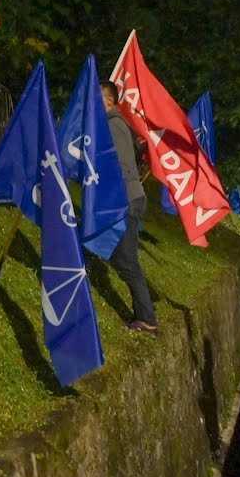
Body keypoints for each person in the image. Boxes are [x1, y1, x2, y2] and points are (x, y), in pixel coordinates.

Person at [101, 80, 157, 332]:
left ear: (109, 101)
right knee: (117, 252)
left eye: (96, 98)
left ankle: (146, 319)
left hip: (126, 200)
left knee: (126, 260)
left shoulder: (114, 125)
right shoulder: (115, 124)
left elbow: (122, 165)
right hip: (129, 198)